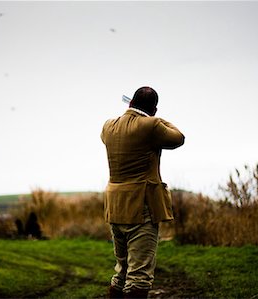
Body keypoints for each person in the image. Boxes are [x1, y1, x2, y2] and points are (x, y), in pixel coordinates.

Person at [101, 86, 185, 299]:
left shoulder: (108, 126)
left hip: (115, 206)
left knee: (121, 270)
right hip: (141, 207)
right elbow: (179, 138)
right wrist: (157, 119)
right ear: (154, 110)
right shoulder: (152, 125)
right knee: (139, 275)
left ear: (130, 104)